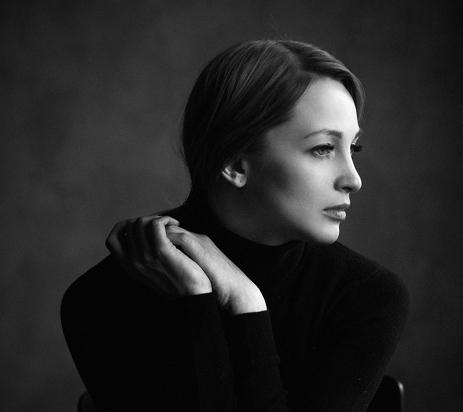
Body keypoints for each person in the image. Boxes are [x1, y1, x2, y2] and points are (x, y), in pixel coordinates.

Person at [61, 40, 409, 412]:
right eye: (323, 148)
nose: (353, 179)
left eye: (353, 148)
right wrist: (198, 298)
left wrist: (245, 301)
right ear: (235, 164)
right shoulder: (102, 299)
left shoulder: (365, 296)